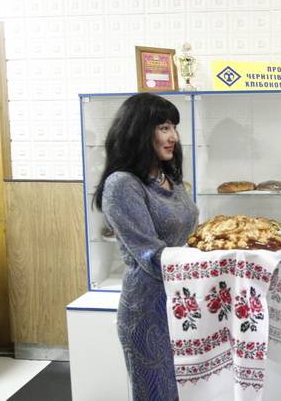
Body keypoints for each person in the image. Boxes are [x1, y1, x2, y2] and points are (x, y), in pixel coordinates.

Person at [94, 93, 198, 401]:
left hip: (182, 301)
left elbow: (189, 235)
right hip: (149, 310)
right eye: (164, 128)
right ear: (139, 131)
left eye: (174, 128)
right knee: (157, 395)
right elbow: (150, 255)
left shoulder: (169, 177)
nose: (174, 137)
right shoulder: (122, 184)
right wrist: (209, 263)